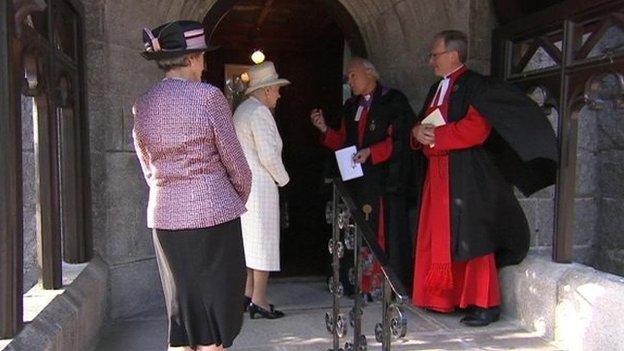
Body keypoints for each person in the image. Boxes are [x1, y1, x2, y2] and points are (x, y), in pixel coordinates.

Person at [410, 30, 558, 326]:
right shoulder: (435, 88)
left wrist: (433, 136)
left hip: (468, 176)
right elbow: (422, 126)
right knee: (438, 238)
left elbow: (476, 129)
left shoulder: (477, 85)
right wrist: (416, 133)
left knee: (473, 239)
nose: (430, 62)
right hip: (438, 177)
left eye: (434, 55)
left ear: (453, 55)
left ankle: (484, 304)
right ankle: (443, 298)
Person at [132, 20, 251, 350]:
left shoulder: (142, 103)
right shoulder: (209, 97)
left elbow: (147, 165)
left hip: (165, 218)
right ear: (191, 58)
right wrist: (235, 197)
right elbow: (236, 164)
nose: (204, 63)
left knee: (183, 314)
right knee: (215, 317)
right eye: (201, 56)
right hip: (212, 217)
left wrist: (167, 193)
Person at [310, 57, 416, 296]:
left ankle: (381, 285)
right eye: (348, 77)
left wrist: (372, 152)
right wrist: (324, 130)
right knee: (355, 234)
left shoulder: (393, 101)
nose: (350, 81)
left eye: (353, 75)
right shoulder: (351, 106)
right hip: (357, 183)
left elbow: (400, 140)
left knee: (379, 233)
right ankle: (359, 284)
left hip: (384, 182)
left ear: (370, 74)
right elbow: (344, 143)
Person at [233, 61, 290, 319]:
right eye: (277, 89)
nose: (279, 94)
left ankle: (247, 295)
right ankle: (260, 300)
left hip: (244, 186)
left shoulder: (242, 110)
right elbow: (268, 155)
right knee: (263, 243)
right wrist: (284, 179)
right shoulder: (260, 113)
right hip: (261, 186)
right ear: (266, 90)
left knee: (250, 244)